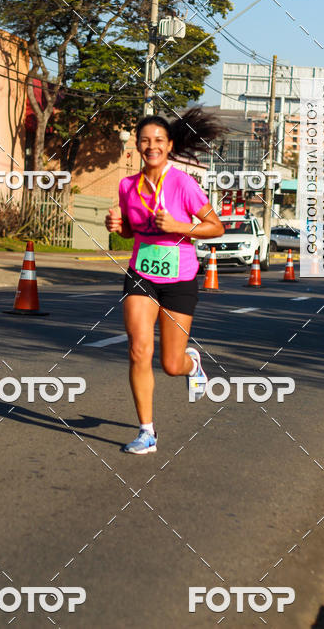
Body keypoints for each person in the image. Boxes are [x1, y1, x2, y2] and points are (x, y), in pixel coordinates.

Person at [105, 107, 224, 454]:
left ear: (170, 145)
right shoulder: (128, 186)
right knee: (139, 350)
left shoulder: (183, 184)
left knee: (171, 364)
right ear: (137, 146)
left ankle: (192, 363)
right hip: (141, 274)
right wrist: (117, 227)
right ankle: (147, 432)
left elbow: (216, 227)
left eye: (158, 140)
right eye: (145, 140)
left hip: (179, 278)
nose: (151, 146)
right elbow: (132, 231)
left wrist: (179, 226)